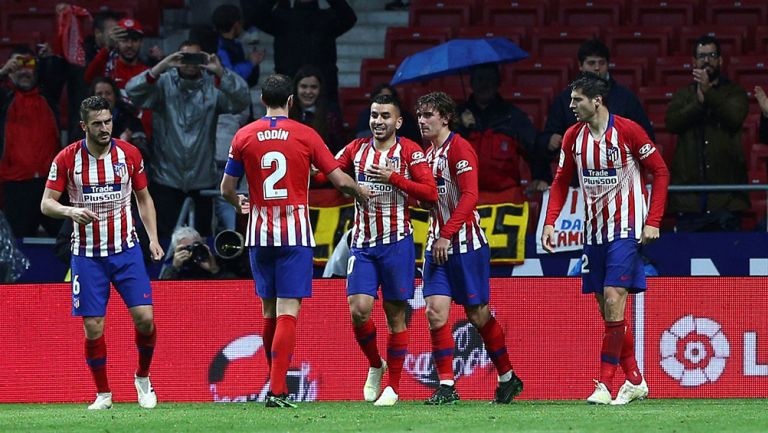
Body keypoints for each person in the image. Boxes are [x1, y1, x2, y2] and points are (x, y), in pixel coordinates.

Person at [220, 73, 369, 408]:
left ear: (262, 101)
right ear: (291, 100)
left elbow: (226, 189)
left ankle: (273, 382)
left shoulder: (244, 135)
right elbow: (339, 180)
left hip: (259, 235)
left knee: (269, 309)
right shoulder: (306, 134)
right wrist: (360, 191)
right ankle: (276, 389)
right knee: (289, 310)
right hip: (295, 235)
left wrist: (238, 202)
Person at [541, 72, 670, 405]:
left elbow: (661, 170)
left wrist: (653, 220)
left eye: (577, 100)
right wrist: (550, 222)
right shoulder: (572, 137)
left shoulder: (627, 130)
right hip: (593, 232)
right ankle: (636, 380)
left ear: (596, 100)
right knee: (609, 310)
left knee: (614, 297)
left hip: (626, 229)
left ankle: (604, 384)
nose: (570, 105)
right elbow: (559, 183)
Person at [40, 96, 164, 410]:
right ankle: (104, 394)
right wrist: (70, 211)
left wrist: (153, 239)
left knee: (145, 320)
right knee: (94, 326)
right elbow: (46, 203)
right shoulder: (67, 159)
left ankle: (143, 378)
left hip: (127, 250)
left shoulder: (130, 155)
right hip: (86, 255)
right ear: (84, 126)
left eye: (108, 121)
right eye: (97, 123)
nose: (105, 128)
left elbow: (144, 198)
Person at [416, 92, 523, 405]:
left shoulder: (460, 148)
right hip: (436, 245)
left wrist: (447, 234)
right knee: (435, 313)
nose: (422, 121)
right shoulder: (427, 154)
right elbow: (433, 200)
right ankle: (447, 386)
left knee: (478, 315)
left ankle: (507, 377)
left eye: (429, 115)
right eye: (420, 115)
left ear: (446, 118)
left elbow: (470, 196)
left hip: (465, 245)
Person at [333, 94, 437, 406]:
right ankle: (375, 364)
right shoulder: (356, 148)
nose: (379, 121)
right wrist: (353, 187)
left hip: (397, 244)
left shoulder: (409, 151)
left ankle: (392, 386)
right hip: (363, 245)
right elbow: (329, 172)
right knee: (358, 310)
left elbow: (430, 193)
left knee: (396, 318)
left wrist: (394, 178)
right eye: (374, 115)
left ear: (398, 121)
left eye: (385, 116)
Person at [126, 40, 250, 241]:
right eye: (185, 57)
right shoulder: (163, 84)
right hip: (166, 179)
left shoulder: (213, 87)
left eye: (196, 57)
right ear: (175, 58)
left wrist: (221, 72)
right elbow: (132, 91)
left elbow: (242, 100)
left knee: (200, 241)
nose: (190, 62)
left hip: (201, 180)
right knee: (164, 240)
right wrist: (161, 66)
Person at [665, 35, 750, 232]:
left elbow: (734, 117)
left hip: (727, 199)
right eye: (702, 56)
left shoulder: (734, 92)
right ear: (693, 62)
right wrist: (698, 103)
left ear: (720, 60)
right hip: (689, 200)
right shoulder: (684, 95)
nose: (706, 60)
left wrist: (708, 94)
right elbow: (671, 123)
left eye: (712, 55)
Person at [540, 38, 654, 180]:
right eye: (591, 63)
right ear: (580, 66)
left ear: (608, 65)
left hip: (619, 180)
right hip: (578, 182)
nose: (597, 68)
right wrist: (550, 141)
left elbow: (647, 137)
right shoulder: (565, 100)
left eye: (602, 63)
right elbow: (547, 140)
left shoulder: (626, 99)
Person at [0, 45, 65, 238]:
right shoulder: (4, 99)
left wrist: (47, 59)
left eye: (28, 63)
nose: (23, 70)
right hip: (16, 186)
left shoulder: (48, 95)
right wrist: (2, 72)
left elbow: (61, 71)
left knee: (64, 243)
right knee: (18, 246)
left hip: (52, 184)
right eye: (18, 64)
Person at [456, 63, 549, 193]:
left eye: (489, 79)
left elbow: (535, 148)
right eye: (480, 79)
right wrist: (460, 127)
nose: (484, 85)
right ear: (471, 84)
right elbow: (441, 154)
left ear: (498, 83)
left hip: (506, 199)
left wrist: (540, 178)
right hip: (464, 197)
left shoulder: (513, 116)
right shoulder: (455, 117)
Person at [244, 0, 356, 105]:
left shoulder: (328, 18)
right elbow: (256, 17)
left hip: (324, 91)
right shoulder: (281, 18)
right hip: (287, 89)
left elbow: (349, 17)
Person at [289, 65, 346, 155]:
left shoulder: (330, 117)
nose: (308, 92)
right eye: (304, 87)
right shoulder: (287, 114)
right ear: (296, 89)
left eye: (313, 87)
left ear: (320, 89)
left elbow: (340, 151)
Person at [89, 76, 149, 160]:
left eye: (108, 93)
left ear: (115, 96)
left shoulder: (129, 120)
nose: (104, 97)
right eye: (99, 94)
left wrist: (126, 146)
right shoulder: (85, 122)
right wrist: (120, 144)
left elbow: (143, 155)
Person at [159, 226, 237, 279]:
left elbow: (236, 290)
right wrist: (174, 268)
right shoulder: (173, 269)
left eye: (196, 246)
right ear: (176, 251)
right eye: (187, 248)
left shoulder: (214, 262)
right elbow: (163, 294)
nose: (192, 252)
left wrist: (214, 269)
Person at [354, 83, 421, 144]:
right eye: (381, 97)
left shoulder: (406, 116)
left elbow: (414, 139)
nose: (384, 100)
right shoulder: (366, 115)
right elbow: (362, 137)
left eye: (388, 97)